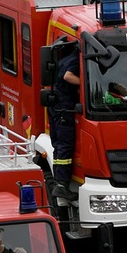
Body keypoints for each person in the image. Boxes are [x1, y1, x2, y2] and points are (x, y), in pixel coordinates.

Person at [49, 51, 80, 201]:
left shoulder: (66, 57)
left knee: (59, 146)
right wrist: (85, 82)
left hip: (57, 106)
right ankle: (62, 185)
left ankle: (58, 182)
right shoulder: (76, 59)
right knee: (65, 146)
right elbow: (68, 76)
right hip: (65, 108)